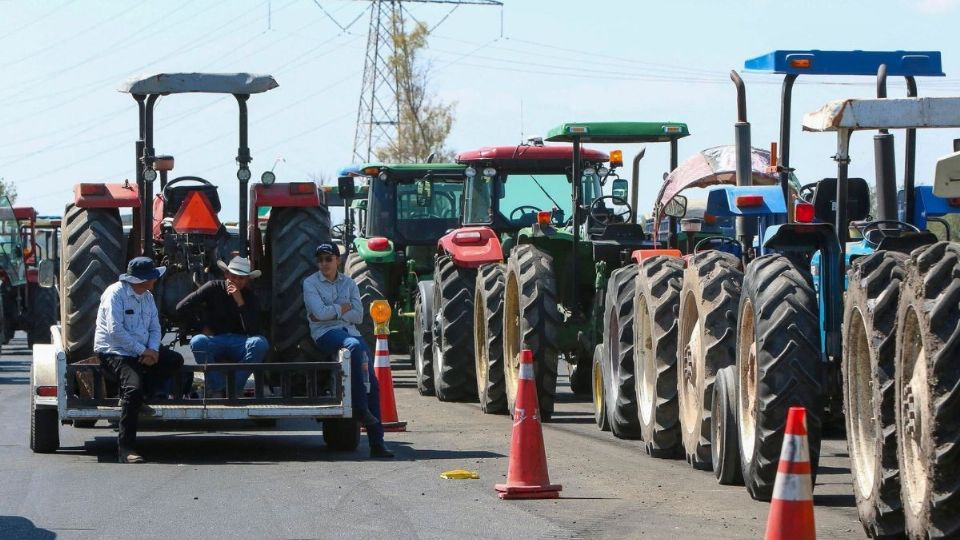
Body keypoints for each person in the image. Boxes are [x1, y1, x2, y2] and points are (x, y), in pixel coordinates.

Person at [303, 242, 394, 459]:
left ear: (338, 260)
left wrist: (331, 311)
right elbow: (318, 314)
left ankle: (377, 444)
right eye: (320, 260)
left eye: (328, 259)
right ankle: (360, 408)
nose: (324, 263)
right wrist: (342, 308)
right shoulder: (310, 283)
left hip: (351, 331)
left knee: (373, 384)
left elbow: (358, 316)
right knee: (353, 346)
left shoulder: (350, 283)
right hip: (325, 334)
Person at [94, 257, 184, 464]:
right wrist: (144, 351)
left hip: (142, 350)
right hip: (116, 352)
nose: (155, 280)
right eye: (152, 277)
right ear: (141, 280)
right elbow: (115, 332)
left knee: (174, 360)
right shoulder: (114, 294)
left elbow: (155, 327)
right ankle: (125, 449)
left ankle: (141, 397)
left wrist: (153, 350)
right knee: (132, 389)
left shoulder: (147, 297)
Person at [176, 256, 268, 398]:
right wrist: (202, 326)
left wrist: (240, 302)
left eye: (241, 278)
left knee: (260, 343)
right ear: (226, 274)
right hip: (216, 340)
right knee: (198, 341)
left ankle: (233, 388)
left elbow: (253, 330)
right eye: (233, 276)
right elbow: (182, 307)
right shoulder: (213, 287)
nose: (236, 281)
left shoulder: (250, 297)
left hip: (240, 342)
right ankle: (217, 388)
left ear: (247, 280)